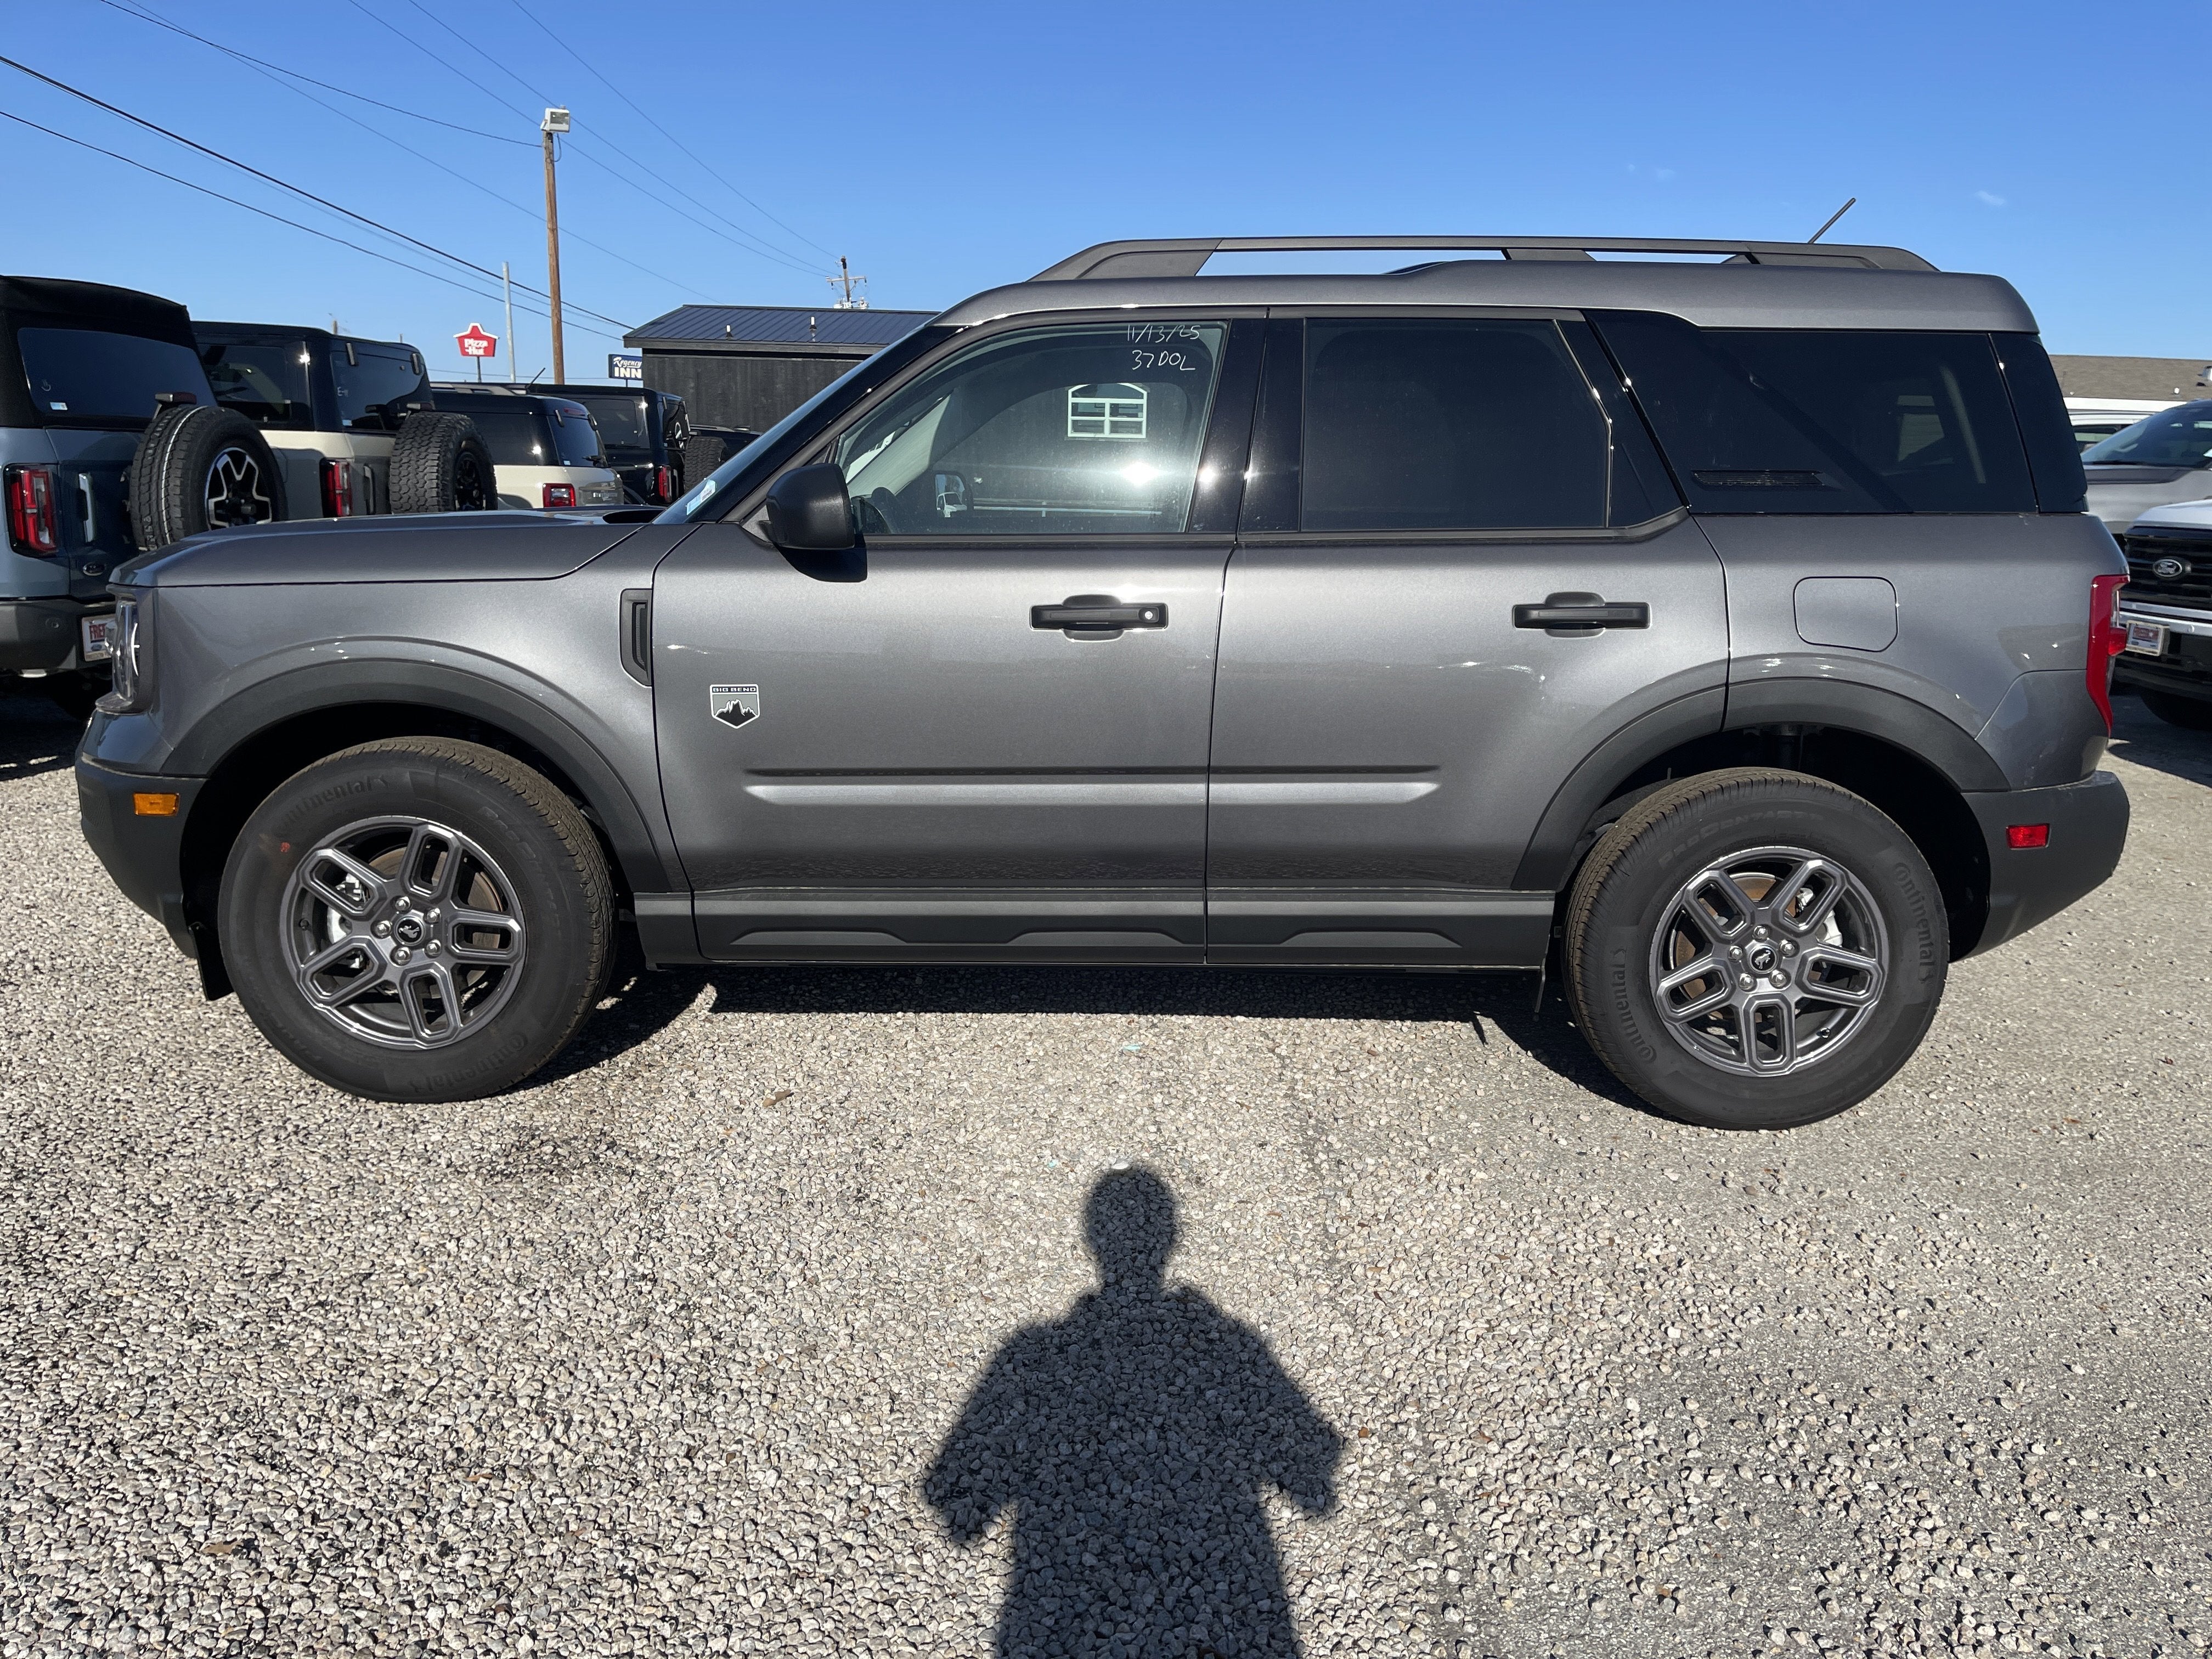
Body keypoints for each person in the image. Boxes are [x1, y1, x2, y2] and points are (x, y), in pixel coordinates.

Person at [926, 1167, 1342, 1657]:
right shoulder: (1230, 1343)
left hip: (1062, 1611)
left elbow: (954, 1499)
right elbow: (1313, 1470)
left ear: (1092, 1240)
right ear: (1170, 1238)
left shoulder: (1033, 1351)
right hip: (1225, 1599)